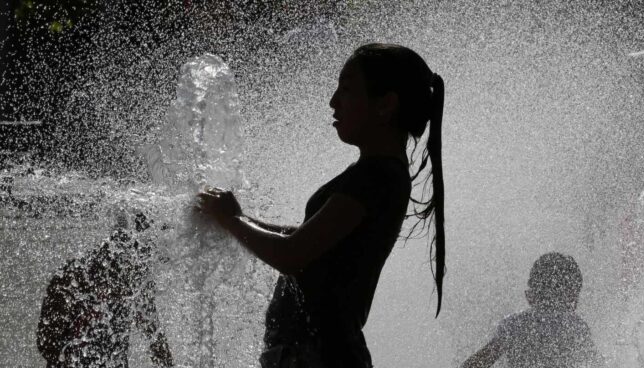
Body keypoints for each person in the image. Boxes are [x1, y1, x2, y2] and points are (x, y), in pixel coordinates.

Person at [197, 43, 446, 367]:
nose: (333, 101)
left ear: (386, 105)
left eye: (347, 90)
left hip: (321, 357)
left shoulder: (375, 177)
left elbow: (293, 254)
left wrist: (232, 220)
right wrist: (234, 219)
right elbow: (305, 239)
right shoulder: (379, 174)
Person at [36, 213, 174, 368]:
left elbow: (155, 341)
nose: (149, 266)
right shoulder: (73, 277)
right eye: (148, 254)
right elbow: (47, 342)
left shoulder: (135, 284)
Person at [461, 252, 605, 368]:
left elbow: (477, 363)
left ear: (530, 295)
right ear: (572, 296)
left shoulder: (514, 326)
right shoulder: (575, 327)